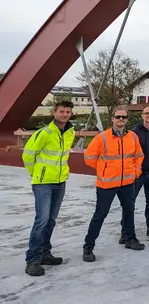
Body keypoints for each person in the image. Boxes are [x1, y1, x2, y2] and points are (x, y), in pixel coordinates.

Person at [82, 107, 145, 262]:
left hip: (127, 182)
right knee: (100, 214)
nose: (121, 119)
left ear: (127, 120)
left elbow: (139, 156)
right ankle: (88, 246)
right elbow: (89, 157)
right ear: (112, 118)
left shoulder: (132, 137)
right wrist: (104, 170)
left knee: (129, 210)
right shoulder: (102, 137)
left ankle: (130, 238)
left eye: (124, 117)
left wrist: (136, 172)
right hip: (107, 184)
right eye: (118, 117)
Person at [22, 101, 75, 277]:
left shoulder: (70, 132)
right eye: (62, 111)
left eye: (68, 112)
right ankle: (32, 260)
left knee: (51, 220)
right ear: (55, 112)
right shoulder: (44, 133)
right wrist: (37, 174)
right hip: (43, 183)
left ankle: (45, 253)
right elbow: (27, 155)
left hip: (60, 182)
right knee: (41, 220)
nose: (65, 114)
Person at [118, 104, 149, 242]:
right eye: (146, 113)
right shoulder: (133, 132)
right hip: (136, 173)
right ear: (142, 115)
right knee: (129, 202)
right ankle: (124, 231)